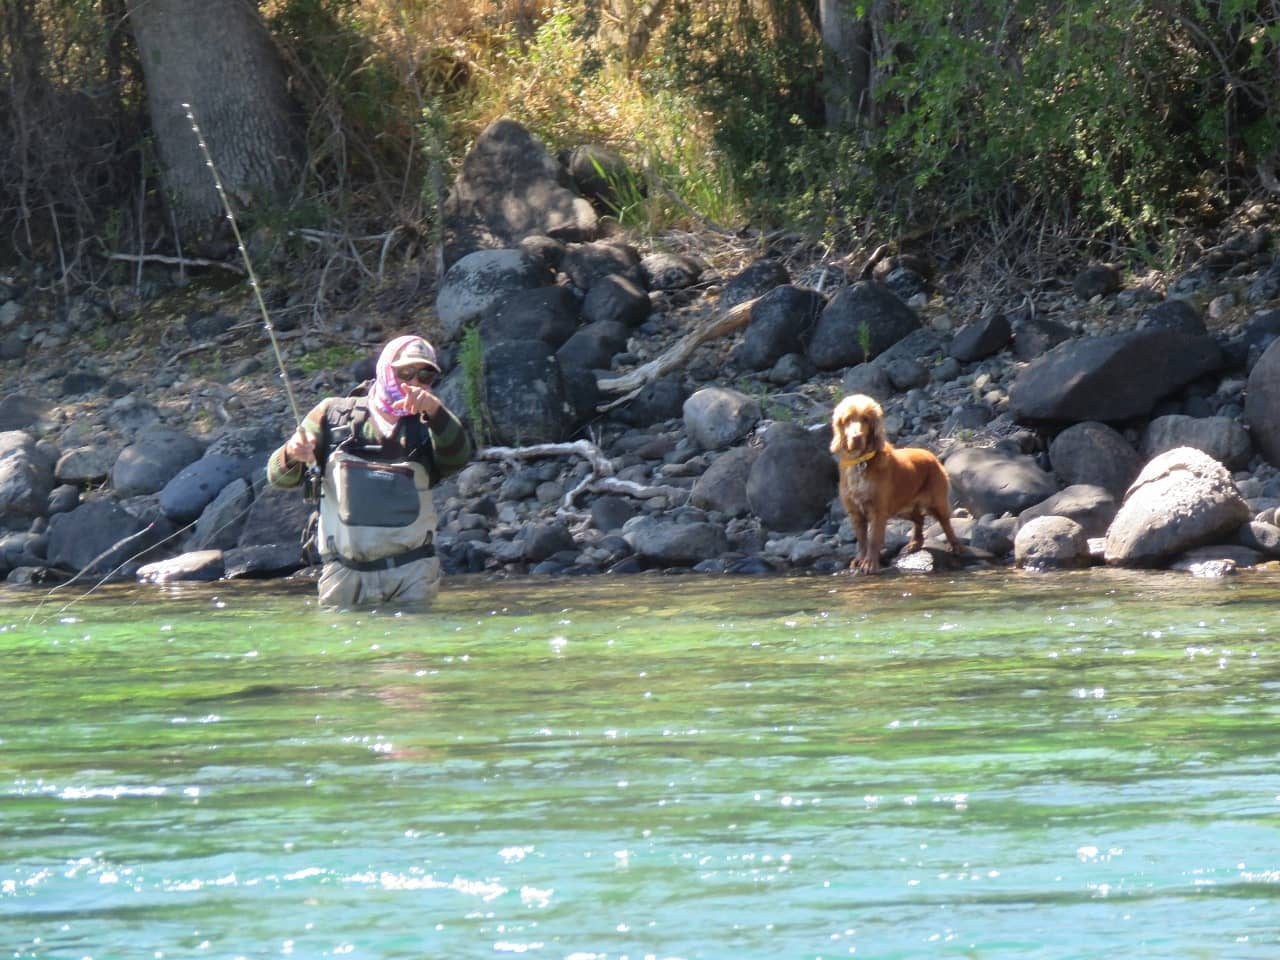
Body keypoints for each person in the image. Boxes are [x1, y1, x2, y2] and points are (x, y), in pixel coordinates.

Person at [267, 334, 473, 607]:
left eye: (425, 375)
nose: (414, 382)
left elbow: (458, 458)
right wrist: (292, 453)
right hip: (343, 575)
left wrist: (435, 411)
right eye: (406, 372)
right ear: (386, 369)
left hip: (412, 575)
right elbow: (278, 478)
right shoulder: (332, 415)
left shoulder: (433, 423)